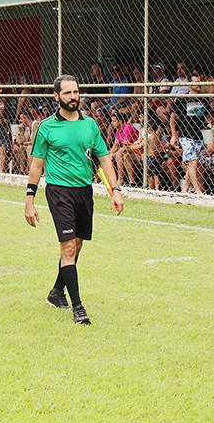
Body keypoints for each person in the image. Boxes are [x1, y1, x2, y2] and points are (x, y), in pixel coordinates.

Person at [25, 74, 124, 326]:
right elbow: (37, 166)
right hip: (59, 192)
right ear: (56, 96)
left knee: (77, 246)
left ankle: (56, 293)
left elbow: (104, 158)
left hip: (84, 192)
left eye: (76, 92)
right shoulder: (46, 127)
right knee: (68, 247)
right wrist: (29, 199)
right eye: (67, 93)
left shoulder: (90, 125)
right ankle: (78, 308)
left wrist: (116, 190)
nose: (73, 97)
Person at [169, 72, 207, 195]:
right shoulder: (182, 99)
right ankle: (198, 190)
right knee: (193, 161)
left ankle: (185, 189)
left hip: (200, 136)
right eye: (196, 82)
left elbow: (208, 117)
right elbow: (173, 118)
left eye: (200, 82)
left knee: (197, 164)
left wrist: (211, 129)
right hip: (186, 136)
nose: (199, 85)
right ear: (190, 84)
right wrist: (174, 135)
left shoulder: (204, 99)